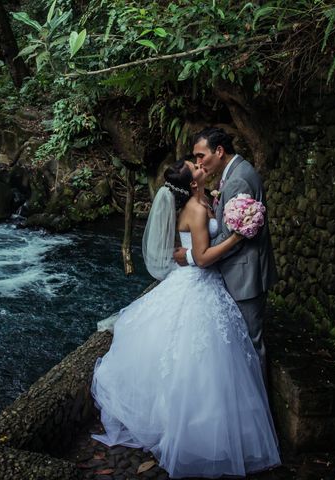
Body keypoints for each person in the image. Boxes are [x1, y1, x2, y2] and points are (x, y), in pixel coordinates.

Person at [90, 159, 281, 478]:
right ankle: (192, 435)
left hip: (207, 286)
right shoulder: (193, 208)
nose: (201, 163)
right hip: (198, 283)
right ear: (193, 183)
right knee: (198, 364)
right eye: (196, 166)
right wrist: (237, 236)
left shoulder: (206, 200)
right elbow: (204, 259)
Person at [174, 128, 278, 383]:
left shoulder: (238, 180)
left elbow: (236, 237)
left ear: (219, 151)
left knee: (250, 346)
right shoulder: (234, 173)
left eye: (201, 155)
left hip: (246, 275)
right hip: (237, 273)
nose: (199, 162)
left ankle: (259, 409)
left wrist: (193, 256)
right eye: (195, 158)